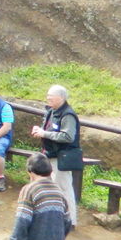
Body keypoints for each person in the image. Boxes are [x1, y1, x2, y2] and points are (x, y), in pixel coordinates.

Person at [31, 84, 81, 227]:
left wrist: (44, 133)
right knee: (50, 187)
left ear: (61, 98)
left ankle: (70, 221)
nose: (48, 98)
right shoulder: (52, 111)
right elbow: (49, 129)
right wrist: (39, 130)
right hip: (49, 155)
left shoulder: (68, 114)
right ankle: (54, 217)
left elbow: (68, 136)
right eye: (47, 96)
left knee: (64, 189)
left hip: (61, 158)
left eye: (51, 97)